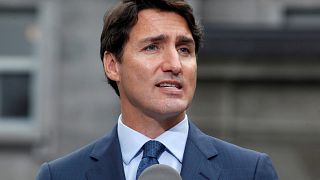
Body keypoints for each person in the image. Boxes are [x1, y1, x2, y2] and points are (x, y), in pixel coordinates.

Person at [36, 0, 278, 179]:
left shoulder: (250, 172)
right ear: (112, 65)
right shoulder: (59, 176)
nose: (174, 65)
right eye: (152, 47)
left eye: (184, 49)